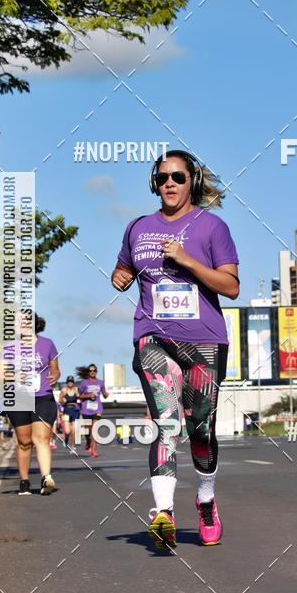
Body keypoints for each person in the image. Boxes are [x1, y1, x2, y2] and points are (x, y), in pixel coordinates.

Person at [110, 149, 239, 549]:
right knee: (167, 424)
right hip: (153, 336)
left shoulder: (212, 227)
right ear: (155, 182)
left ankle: (205, 500)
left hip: (204, 340)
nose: (170, 183)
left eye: (178, 177)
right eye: (163, 177)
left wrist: (187, 261)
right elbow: (125, 267)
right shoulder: (138, 227)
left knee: (200, 430)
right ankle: (163, 512)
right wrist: (120, 276)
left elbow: (231, 287)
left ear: (192, 182)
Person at [0, 311, 60, 495]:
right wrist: (15, 377)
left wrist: (55, 376)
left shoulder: (47, 344)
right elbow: (0, 375)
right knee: (24, 442)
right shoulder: (9, 347)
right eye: (16, 322)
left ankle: (46, 478)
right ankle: (24, 481)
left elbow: (55, 369)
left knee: (41, 438)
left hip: (43, 397)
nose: (19, 324)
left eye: (22, 321)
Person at [77, 365, 108, 458]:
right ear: (88, 372)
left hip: (97, 409)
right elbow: (78, 396)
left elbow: (104, 393)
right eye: (90, 371)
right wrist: (88, 396)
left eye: (94, 370)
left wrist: (106, 394)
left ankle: (94, 450)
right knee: (88, 431)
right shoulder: (84, 383)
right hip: (86, 410)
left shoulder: (101, 382)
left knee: (95, 430)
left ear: (96, 371)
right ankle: (88, 441)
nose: (92, 372)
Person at [59, 376, 81, 451]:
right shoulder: (64, 390)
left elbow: (80, 398)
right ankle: (66, 439)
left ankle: (72, 447)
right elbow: (59, 400)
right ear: (67, 382)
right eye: (69, 382)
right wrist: (63, 400)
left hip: (75, 411)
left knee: (74, 430)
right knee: (67, 431)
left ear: (73, 382)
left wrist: (79, 398)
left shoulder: (76, 389)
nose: (70, 383)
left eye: (71, 381)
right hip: (66, 411)